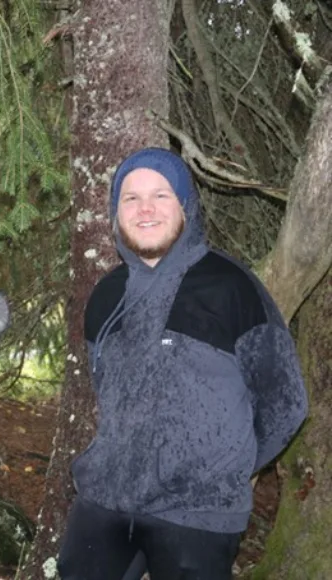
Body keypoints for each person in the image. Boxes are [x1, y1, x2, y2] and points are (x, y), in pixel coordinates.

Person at [57, 147, 308, 580]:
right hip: (106, 501)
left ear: (186, 207)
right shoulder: (104, 297)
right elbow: (106, 390)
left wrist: (222, 470)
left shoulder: (232, 288)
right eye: (130, 198)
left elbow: (286, 405)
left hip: (197, 515)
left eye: (162, 195)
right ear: (116, 213)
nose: (146, 208)